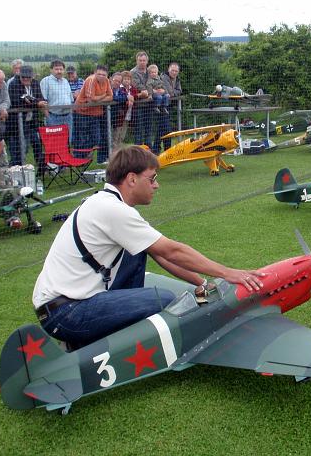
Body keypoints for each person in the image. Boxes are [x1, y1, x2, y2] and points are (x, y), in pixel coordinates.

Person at [32, 145, 264, 350]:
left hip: (61, 307)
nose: (157, 185)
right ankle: (90, 343)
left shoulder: (106, 202)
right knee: (163, 299)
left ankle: (103, 336)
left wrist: (203, 284)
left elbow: (160, 255)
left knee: (139, 253)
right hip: (66, 314)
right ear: (132, 179)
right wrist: (229, 274)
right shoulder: (113, 210)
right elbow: (172, 251)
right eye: (152, 178)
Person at [7, 65, 48, 173]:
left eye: (28, 77)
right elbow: (16, 102)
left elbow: (40, 98)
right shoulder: (13, 84)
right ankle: (15, 172)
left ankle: (41, 170)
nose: (26, 79)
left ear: (32, 76)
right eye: (23, 77)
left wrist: (36, 102)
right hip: (16, 124)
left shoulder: (35, 83)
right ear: (19, 76)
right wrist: (36, 103)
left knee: (37, 144)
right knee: (19, 150)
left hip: (32, 123)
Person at [72, 64, 113, 161]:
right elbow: (91, 99)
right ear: (95, 73)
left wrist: (99, 98)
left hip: (95, 113)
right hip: (82, 112)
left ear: (107, 75)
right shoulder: (90, 80)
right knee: (82, 137)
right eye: (99, 74)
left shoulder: (106, 81)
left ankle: (85, 155)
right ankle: (79, 159)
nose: (101, 76)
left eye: (104, 75)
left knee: (96, 138)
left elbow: (111, 97)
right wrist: (104, 96)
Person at [40, 59, 73, 133]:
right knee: (55, 141)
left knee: (67, 141)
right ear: (51, 70)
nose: (59, 71)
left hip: (68, 117)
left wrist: (70, 112)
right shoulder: (45, 81)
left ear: (64, 70)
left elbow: (70, 99)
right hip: (53, 117)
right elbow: (43, 102)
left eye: (61, 69)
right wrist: (48, 117)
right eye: (56, 69)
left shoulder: (65, 81)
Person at [130, 51, 152, 148]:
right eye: (140, 60)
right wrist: (150, 91)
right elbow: (137, 85)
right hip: (138, 105)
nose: (142, 62)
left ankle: (148, 151)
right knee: (138, 129)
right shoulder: (133, 72)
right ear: (136, 61)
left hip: (149, 104)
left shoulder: (150, 71)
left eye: (144, 60)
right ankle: (137, 152)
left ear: (147, 61)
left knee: (148, 128)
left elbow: (155, 81)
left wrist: (150, 91)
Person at [160, 62, 182, 151]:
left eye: (176, 71)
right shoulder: (164, 77)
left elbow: (179, 91)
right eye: (172, 70)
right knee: (165, 128)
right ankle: (166, 149)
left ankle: (162, 149)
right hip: (161, 106)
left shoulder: (177, 79)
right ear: (168, 70)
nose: (174, 72)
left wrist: (173, 92)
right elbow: (169, 92)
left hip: (169, 106)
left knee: (163, 129)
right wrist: (173, 92)